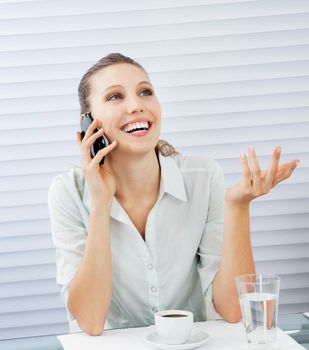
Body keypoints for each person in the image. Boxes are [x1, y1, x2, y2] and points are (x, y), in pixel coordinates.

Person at [47, 53, 299, 336]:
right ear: (88, 123)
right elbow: (90, 322)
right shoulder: (68, 192)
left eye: (145, 92)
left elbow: (232, 310)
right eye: (115, 97)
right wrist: (100, 203)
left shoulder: (203, 177)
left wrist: (238, 206)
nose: (136, 105)